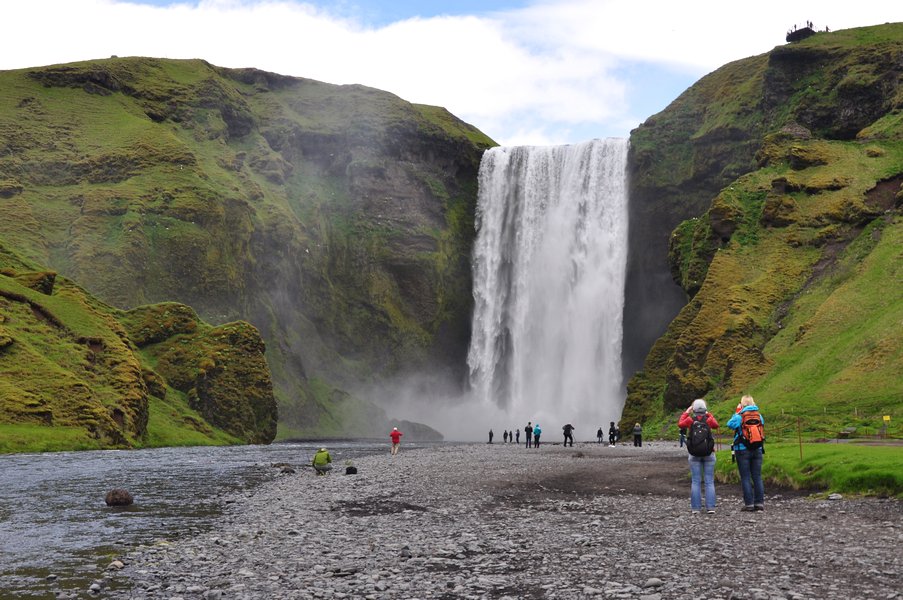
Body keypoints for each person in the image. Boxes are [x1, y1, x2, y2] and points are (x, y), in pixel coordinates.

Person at [678, 399, 720, 514]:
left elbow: (680, 424)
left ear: (694, 409)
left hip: (694, 454)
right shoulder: (709, 420)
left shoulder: (690, 420)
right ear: (705, 409)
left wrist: (686, 412)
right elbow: (716, 425)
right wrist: (709, 414)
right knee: (709, 481)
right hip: (709, 453)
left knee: (695, 481)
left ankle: (696, 508)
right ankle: (710, 507)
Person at [728, 395, 766, 511]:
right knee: (757, 476)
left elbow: (729, 424)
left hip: (742, 449)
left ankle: (749, 504)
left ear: (742, 404)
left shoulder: (739, 416)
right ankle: (759, 503)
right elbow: (762, 426)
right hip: (757, 449)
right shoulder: (759, 416)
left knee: (745, 477)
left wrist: (737, 412)